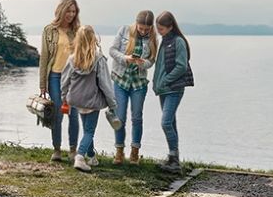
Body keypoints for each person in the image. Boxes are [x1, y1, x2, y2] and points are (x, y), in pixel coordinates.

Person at [62, 25, 117, 172]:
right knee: (89, 131)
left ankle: (91, 156)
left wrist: (64, 98)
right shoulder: (99, 60)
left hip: (76, 100)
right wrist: (112, 104)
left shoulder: (72, 59)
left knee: (87, 129)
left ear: (78, 40)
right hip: (91, 101)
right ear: (94, 39)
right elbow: (106, 84)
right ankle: (80, 157)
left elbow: (64, 80)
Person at [107, 10, 157, 164]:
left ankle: (135, 151)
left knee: (137, 117)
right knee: (120, 117)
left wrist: (144, 64)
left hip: (138, 83)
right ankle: (119, 150)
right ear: (136, 23)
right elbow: (112, 50)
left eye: (146, 29)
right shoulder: (124, 30)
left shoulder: (153, 38)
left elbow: (152, 60)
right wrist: (125, 58)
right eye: (141, 28)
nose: (143, 31)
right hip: (121, 80)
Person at [39, 0, 81, 162]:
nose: (71, 14)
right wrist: (42, 84)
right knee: (58, 113)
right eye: (68, 11)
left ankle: (73, 150)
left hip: (74, 78)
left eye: (73, 11)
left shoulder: (78, 31)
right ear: (61, 11)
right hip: (55, 76)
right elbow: (44, 58)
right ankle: (57, 149)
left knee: (73, 113)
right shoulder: (49, 30)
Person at [153, 11, 194, 174]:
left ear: (170, 27)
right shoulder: (165, 41)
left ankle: (174, 160)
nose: (159, 31)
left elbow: (181, 66)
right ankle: (173, 158)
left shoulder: (178, 42)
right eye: (158, 28)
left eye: (161, 29)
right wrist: (157, 84)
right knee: (171, 122)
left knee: (166, 122)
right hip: (164, 90)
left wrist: (165, 80)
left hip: (174, 89)